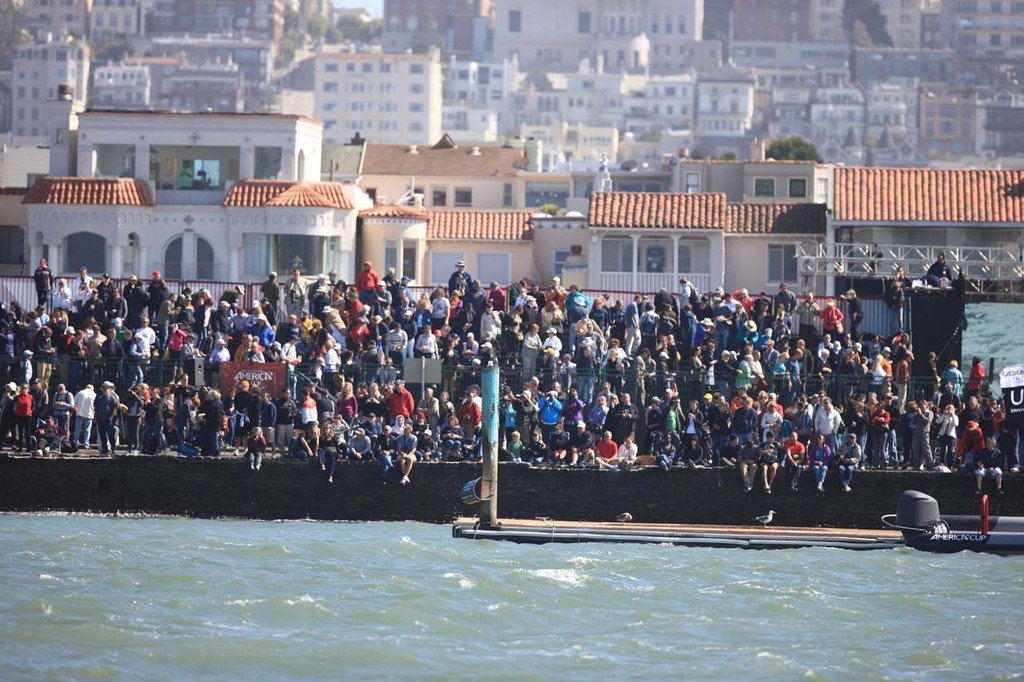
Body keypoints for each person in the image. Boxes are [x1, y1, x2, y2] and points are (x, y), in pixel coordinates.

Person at [72, 383, 97, 449]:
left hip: (79, 413)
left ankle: (75, 442)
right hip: (89, 414)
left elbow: (73, 403)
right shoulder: (94, 395)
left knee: (77, 429)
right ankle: (86, 444)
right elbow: (95, 406)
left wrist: (77, 410)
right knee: (87, 430)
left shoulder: (80, 393)